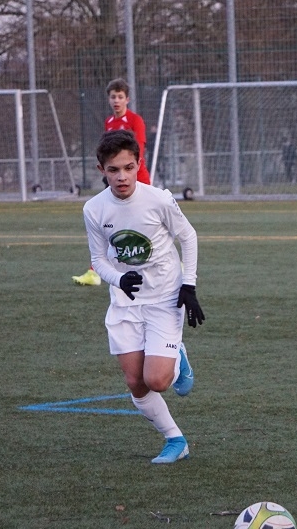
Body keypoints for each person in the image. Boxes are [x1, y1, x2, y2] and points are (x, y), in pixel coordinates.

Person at [82, 130, 206, 463]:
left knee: (157, 380)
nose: (122, 176)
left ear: (139, 164)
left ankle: (177, 356)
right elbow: (99, 260)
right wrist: (119, 279)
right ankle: (175, 440)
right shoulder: (94, 209)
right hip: (126, 302)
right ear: (102, 170)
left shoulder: (158, 200)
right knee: (136, 381)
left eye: (128, 167)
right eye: (113, 170)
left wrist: (189, 286)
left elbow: (188, 237)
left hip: (165, 297)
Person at [74, 78, 152, 287]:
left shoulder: (135, 120)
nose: (116, 101)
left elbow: (138, 151)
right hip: (116, 180)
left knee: (149, 223)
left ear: (127, 99)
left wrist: (129, 172)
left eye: (120, 97)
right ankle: (95, 270)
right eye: (113, 97)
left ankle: (171, 261)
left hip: (138, 179)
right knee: (108, 223)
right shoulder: (109, 122)